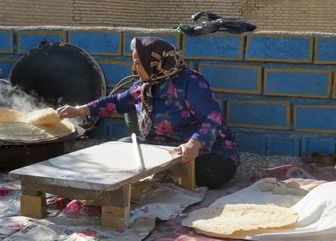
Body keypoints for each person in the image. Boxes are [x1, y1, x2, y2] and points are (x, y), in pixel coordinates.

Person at [58, 37, 239, 189]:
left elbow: (213, 116)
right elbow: (117, 102)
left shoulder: (190, 83)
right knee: (117, 150)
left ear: (154, 63)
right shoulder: (144, 88)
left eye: (138, 62)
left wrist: (195, 143)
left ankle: (165, 174)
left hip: (205, 151)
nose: (133, 68)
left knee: (211, 172)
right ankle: (164, 173)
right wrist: (80, 109)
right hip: (161, 149)